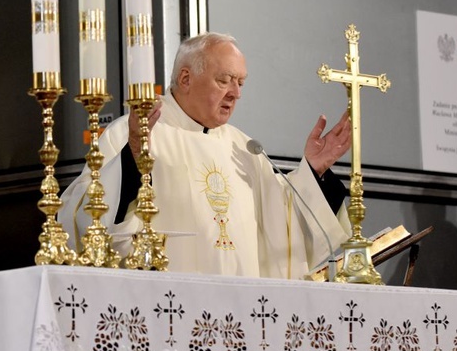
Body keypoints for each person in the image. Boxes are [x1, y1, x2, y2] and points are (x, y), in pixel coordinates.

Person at [59, 32, 352, 278]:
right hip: (168, 312)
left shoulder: (245, 148)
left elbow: (284, 235)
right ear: (185, 78)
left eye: (241, 83)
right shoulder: (134, 132)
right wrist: (134, 155)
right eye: (224, 80)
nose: (236, 93)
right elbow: (91, 220)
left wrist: (314, 170)